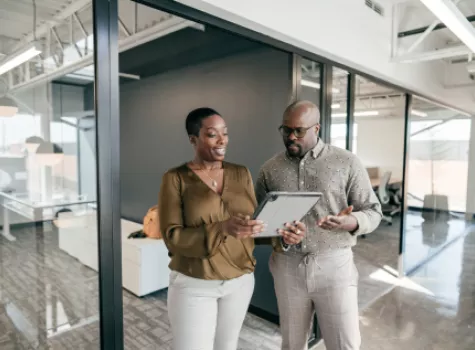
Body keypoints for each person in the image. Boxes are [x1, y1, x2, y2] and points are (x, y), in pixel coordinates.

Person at [256, 100, 383, 350]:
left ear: (317, 128)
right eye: (286, 130)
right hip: (287, 267)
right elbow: (258, 224)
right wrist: (280, 237)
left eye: (299, 131)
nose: (291, 137)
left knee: (344, 343)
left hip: (334, 265)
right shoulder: (269, 169)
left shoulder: (346, 162)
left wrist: (353, 221)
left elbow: (374, 211)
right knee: (292, 344)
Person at [159, 107, 272, 350]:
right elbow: (172, 238)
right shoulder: (175, 178)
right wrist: (221, 228)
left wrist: (280, 233)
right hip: (195, 283)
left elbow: (251, 226)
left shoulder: (241, 173)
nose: (222, 140)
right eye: (212, 134)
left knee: (227, 346)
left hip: (241, 280)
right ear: (193, 139)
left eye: (225, 133)